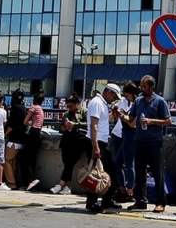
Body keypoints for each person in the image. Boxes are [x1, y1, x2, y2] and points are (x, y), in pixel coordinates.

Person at [127, 75, 171, 213]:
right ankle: (140, 201)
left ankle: (160, 202)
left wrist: (152, 121)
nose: (141, 88)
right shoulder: (138, 101)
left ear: (151, 87)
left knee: (157, 171)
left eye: (144, 86)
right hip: (139, 140)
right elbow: (131, 119)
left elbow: (168, 121)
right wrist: (120, 115)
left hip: (154, 141)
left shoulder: (160, 101)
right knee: (140, 172)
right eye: (141, 86)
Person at [84, 83, 122, 214]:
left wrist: (113, 114)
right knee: (96, 174)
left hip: (102, 142)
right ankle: (92, 202)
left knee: (107, 173)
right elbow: (93, 125)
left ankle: (107, 199)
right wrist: (95, 147)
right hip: (96, 142)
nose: (114, 99)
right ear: (108, 92)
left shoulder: (103, 104)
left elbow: (103, 120)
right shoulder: (97, 103)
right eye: (114, 96)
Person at [51, 92, 86, 195]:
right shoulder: (67, 114)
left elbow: (88, 124)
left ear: (77, 104)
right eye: (68, 106)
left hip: (78, 141)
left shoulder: (84, 112)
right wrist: (63, 128)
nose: (69, 108)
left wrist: (75, 125)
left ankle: (60, 184)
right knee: (67, 163)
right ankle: (67, 186)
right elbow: (60, 127)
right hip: (67, 141)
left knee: (70, 163)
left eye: (71, 106)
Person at [112, 82, 140, 203]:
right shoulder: (127, 103)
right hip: (125, 133)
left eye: (127, 95)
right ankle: (122, 189)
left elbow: (132, 123)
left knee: (129, 164)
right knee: (117, 163)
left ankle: (130, 191)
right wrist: (117, 114)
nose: (126, 98)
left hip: (131, 134)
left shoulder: (138, 104)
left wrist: (122, 115)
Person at [20, 89, 45, 191]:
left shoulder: (33, 108)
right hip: (38, 134)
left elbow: (25, 121)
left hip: (32, 133)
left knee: (24, 158)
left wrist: (28, 122)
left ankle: (31, 179)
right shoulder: (41, 110)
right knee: (32, 159)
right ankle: (30, 185)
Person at [3, 88, 27, 190]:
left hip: (14, 139)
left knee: (6, 159)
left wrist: (5, 134)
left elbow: (12, 125)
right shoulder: (24, 108)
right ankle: (13, 182)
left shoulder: (15, 108)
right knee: (13, 161)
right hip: (22, 138)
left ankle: (11, 182)